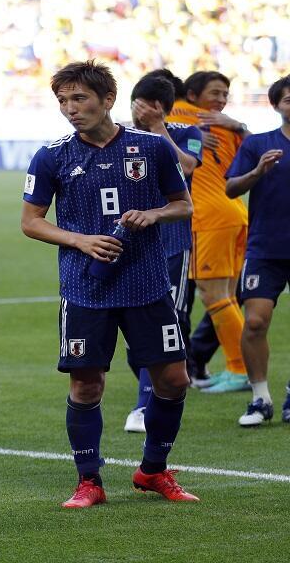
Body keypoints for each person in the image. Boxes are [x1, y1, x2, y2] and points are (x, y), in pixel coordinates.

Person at [20, 60, 197, 508]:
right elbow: (31, 222)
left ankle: (153, 471)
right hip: (86, 290)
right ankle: (89, 481)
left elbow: (184, 206)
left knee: (174, 379)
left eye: (79, 98)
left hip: (147, 284)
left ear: (107, 100)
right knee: (86, 386)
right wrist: (79, 239)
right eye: (62, 100)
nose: (69, 109)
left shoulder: (151, 148)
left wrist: (153, 214)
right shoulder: (52, 155)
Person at [123, 73, 203, 433]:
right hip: (133, 243)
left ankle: (143, 406)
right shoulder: (121, 137)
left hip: (173, 241)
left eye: (144, 106)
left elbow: (187, 167)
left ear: (159, 108)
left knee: (170, 323)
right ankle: (158, 383)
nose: (138, 113)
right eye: (134, 105)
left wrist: (159, 129)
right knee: (133, 332)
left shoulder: (187, 133)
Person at [167, 71, 251, 394]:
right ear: (193, 93)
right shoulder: (229, 126)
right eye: (215, 92)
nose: (220, 99)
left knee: (214, 297)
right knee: (227, 297)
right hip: (234, 213)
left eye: (224, 94)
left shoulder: (175, 115)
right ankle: (238, 368)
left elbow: (143, 124)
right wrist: (238, 125)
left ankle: (241, 368)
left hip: (209, 216)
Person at [224, 75, 290, 426]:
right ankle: (260, 398)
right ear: (277, 104)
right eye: (288, 99)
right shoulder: (259, 145)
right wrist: (258, 170)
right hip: (265, 248)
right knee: (254, 322)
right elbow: (231, 188)